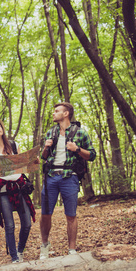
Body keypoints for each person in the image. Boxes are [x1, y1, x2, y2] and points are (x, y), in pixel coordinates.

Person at [39, 102, 96, 259]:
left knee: (71, 215)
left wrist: (76, 149)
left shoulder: (81, 133)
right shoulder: (50, 133)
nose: (53, 113)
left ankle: (72, 250)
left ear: (66, 114)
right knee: (45, 214)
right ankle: (44, 246)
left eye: (56, 111)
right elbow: (43, 157)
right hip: (51, 176)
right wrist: (45, 147)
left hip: (70, 177)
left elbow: (92, 155)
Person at [0, 118, 36, 263]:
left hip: (19, 187)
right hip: (2, 190)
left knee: (26, 224)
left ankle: (20, 251)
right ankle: (14, 257)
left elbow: (24, 165)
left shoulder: (14, 145)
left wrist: (32, 161)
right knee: (10, 225)